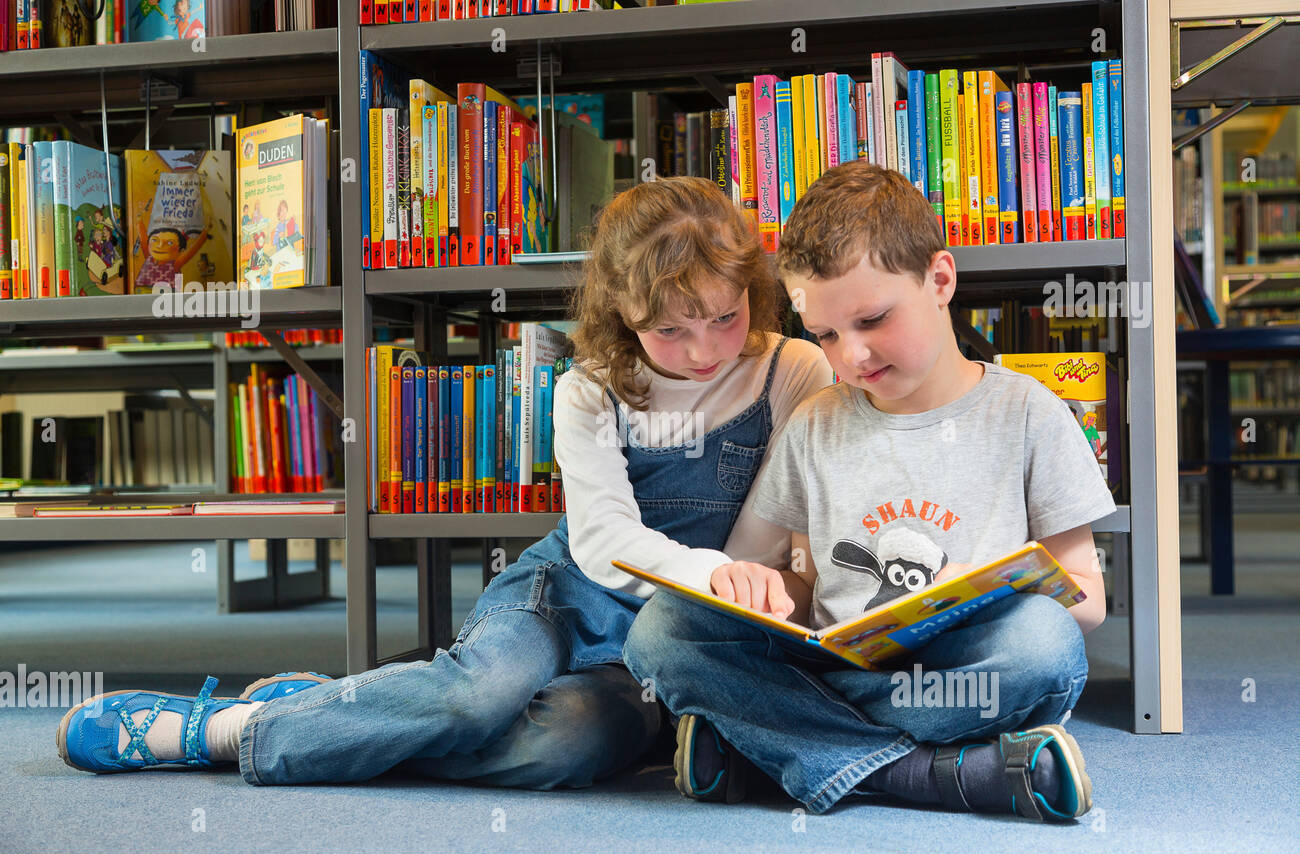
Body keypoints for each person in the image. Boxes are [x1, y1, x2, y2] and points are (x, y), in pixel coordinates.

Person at [56, 177, 834, 790]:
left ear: (752, 289)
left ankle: (332, 711)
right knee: (475, 698)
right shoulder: (587, 388)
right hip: (566, 595)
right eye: (669, 329)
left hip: (675, 638)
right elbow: (602, 544)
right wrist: (717, 576)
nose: (703, 351)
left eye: (724, 318)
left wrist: (718, 602)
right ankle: (222, 730)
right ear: (623, 312)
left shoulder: (792, 370)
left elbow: (760, 541)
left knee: (562, 743)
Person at [623, 162, 1117, 821]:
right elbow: (800, 583)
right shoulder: (817, 423)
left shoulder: (1028, 413)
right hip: (839, 671)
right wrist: (762, 589)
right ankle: (933, 775)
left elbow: (1087, 597)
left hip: (952, 674)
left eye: (873, 320)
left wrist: (997, 589)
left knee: (1047, 645)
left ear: (940, 280)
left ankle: (785, 746)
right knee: (659, 633)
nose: (852, 356)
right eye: (825, 335)